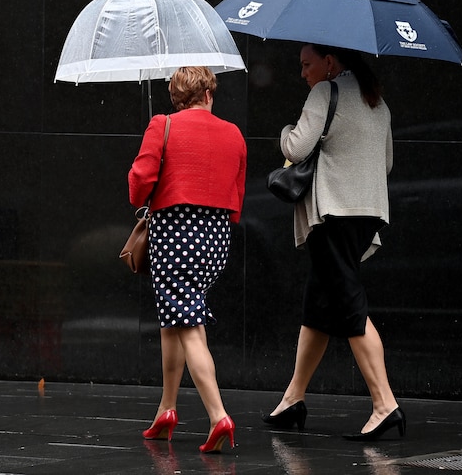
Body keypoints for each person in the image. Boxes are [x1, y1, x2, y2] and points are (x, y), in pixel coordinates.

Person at [263, 43, 404, 441]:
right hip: (367, 212)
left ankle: (385, 404)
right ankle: (293, 398)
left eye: (307, 65)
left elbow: (295, 148)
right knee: (319, 304)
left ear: (329, 62)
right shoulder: (379, 102)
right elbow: (387, 162)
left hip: (333, 214)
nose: (303, 73)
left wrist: (287, 131)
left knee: (348, 304)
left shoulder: (325, 92)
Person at [129, 66, 247, 453]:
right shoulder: (233, 133)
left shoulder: (161, 125)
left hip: (175, 236)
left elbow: (138, 185)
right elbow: (237, 190)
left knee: (188, 324)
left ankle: (218, 416)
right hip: (216, 239)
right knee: (175, 321)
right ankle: (167, 408)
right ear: (209, 94)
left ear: (174, 95)